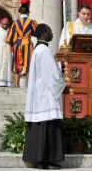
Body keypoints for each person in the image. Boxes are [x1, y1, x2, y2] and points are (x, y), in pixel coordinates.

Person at [23, 24, 71, 170]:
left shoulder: (39, 49)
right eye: (50, 32)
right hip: (46, 95)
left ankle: (46, 159)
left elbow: (49, 69)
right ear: (43, 34)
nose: (51, 34)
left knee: (45, 127)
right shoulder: (44, 50)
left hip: (42, 93)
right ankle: (44, 160)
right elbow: (51, 75)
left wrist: (60, 65)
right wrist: (63, 87)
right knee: (47, 127)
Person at [7, 0, 37, 87]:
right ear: (28, 12)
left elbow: (10, 36)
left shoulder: (15, 23)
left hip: (18, 44)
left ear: (20, 12)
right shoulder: (32, 22)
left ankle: (17, 84)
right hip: (27, 43)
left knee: (17, 64)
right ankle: (30, 84)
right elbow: (36, 33)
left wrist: (13, 45)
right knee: (28, 64)